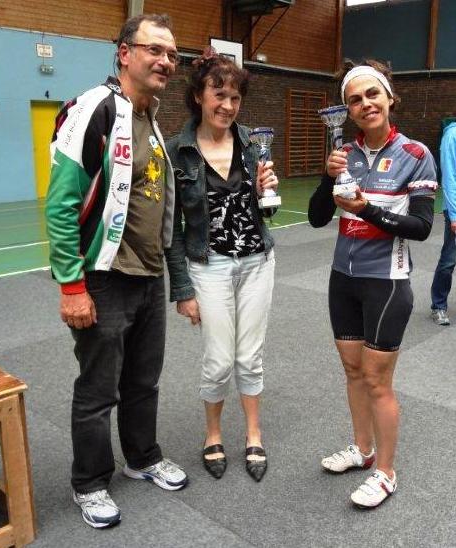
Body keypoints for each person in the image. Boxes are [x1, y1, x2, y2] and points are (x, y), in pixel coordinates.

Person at [45, 14, 188, 529]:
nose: (166, 62)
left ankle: (142, 457)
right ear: (124, 52)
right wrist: (72, 285)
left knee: (143, 380)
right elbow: (61, 203)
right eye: (155, 50)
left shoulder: (149, 116)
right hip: (103, 277)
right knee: (98, 388)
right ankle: (89, 482)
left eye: (172, 54)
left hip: (148, 275)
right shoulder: (96, 108)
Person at [308, 59, 437, 508]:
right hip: (342, 279)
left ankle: (386, 471)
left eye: (372, 95)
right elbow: (317, 217)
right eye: (354, 100)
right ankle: (362, 451)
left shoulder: (415, 154)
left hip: (387, 283)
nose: (365, 104)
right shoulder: (345, 153)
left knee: (378, 382)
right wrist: (328, 178)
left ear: (389, 97)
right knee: (352, 371)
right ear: (347, 109)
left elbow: (421, 227)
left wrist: (366, 210)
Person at [165, 48, 278, 482]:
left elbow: (262, 213)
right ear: (198, 95)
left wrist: (267, 192)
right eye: (219, 94)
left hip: (257, 262)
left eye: (234, 97)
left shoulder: (252, 142)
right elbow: (172, 229)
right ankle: (212, 434)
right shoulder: (177, 150)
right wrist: (182, 290)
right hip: (207, 267)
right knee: (218, 361)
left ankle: (253, 434)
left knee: (250, 357)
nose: (227, 105)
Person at [430, 120, 456, 325]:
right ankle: (438, 306)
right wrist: (454, 215)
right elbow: (449, 179)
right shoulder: (451, 136)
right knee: (449, 261)